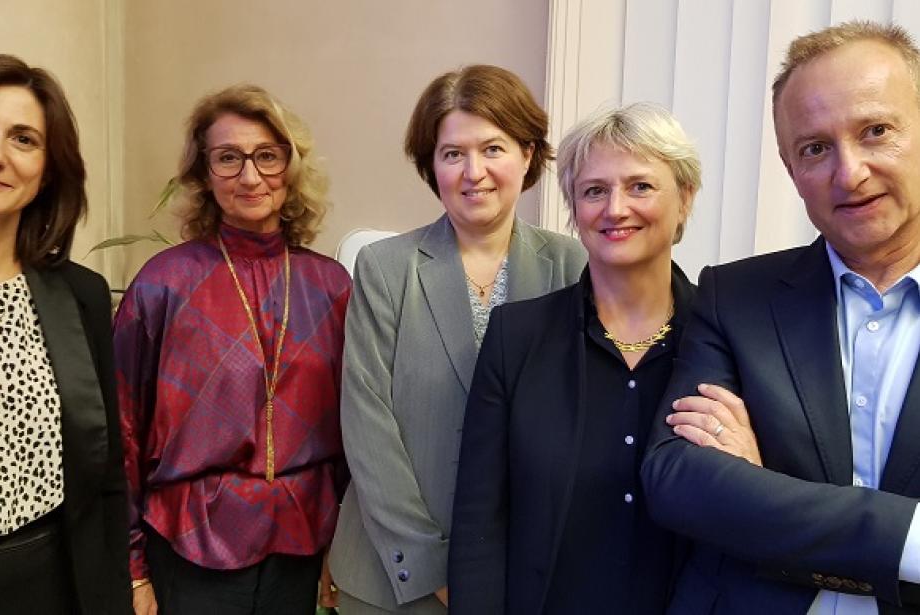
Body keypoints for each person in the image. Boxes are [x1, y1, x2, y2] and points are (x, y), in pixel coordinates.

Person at [642, 20, 920, 614]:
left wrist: (763, 492)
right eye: (815, 148)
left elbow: (725, 498)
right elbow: (677, 478)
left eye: (875, 131)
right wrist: (909, 534)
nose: (849, 173)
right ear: (792, 171)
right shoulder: (735, 295)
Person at [327, 64, 587, 614]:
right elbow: (366, 421)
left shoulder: (572, 266)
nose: (475, 172)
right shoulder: (385, 267)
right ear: (431, 165)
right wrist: (429, 567)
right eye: (452, 154)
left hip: (524, 571)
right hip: (391, 577)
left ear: (527, 153)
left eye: (493, 148)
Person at [448, 102, 703, 614]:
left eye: (640, 186)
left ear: (685, 200)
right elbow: (480, 522)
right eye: (593, 191)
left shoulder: (728, 339)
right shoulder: (516, 338)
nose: (615, 208)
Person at [115, 84, 351, 615]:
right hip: (189, 544)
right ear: (203, 173)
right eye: (228, 158)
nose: (250, 176)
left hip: (301, 545)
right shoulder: (164, 284)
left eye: (267, 156)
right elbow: (121, 434)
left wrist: (343, 546)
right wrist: (133, 572)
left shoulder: (332, 287)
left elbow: (352, 434)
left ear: (290, 168)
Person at [0, 54, 131, 614]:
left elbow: (106, 476)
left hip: (52, 580)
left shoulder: (82, 296)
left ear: (48, 168)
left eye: (23, 138)